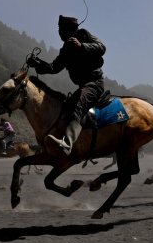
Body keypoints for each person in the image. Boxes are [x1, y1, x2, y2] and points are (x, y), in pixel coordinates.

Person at [26, 15, 106, 155]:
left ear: (70, 30)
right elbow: (53, 67)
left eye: (61, 29)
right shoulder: (66, 49)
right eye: (59, 29)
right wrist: (37, 63)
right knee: (66, 109)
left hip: (94, 83)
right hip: (82, 86)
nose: (59, 32)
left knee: (78, 106)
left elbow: (102, 48)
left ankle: (68, 142)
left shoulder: (84, 34)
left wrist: (82, 46)